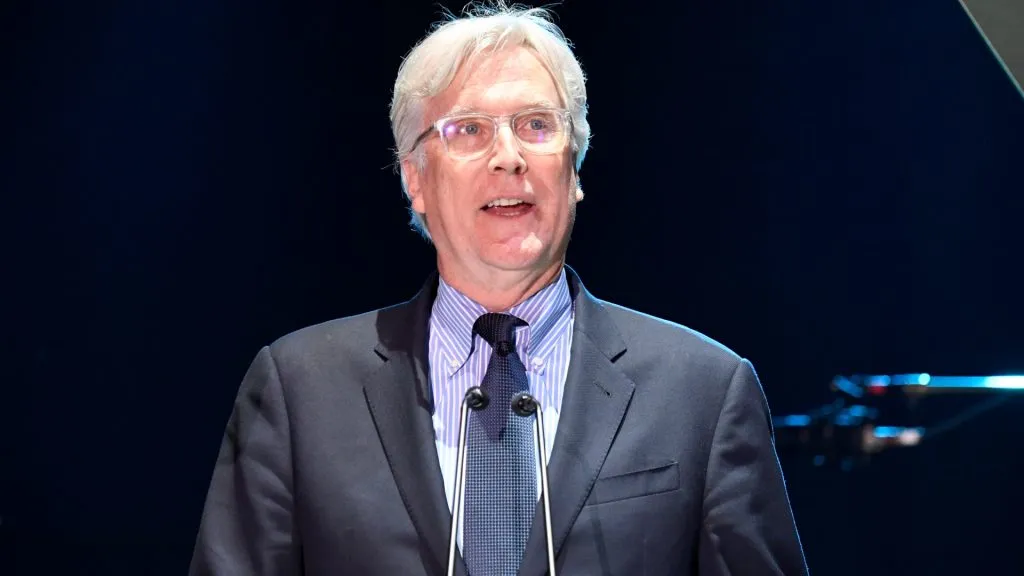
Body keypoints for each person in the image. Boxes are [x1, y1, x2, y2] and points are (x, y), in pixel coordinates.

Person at [188, 2, 809, 575]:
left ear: (575, 168)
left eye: (537, 125)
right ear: (415, 179)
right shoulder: (300, 391)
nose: (508, 156)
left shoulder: (703, 391)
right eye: (468, 131)